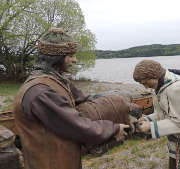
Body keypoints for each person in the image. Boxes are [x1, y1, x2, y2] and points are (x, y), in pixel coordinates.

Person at [13, 27, 129, 169]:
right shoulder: (40, 91)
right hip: (49, 163)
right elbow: (75, 125)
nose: (75, 60)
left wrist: (119, 100)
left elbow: (84, 98)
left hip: (63, 160)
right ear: (56, 58)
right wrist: (113, 129)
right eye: (71, 56)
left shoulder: (56, 80)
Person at [133, 60, 180, 169]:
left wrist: (150, 126)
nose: (145, 87)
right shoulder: (160, 86)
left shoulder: (176, 88)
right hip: (175, 143)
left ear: (153, 75)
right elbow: (163, 113)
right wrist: (147, 119)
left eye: (145, 82)